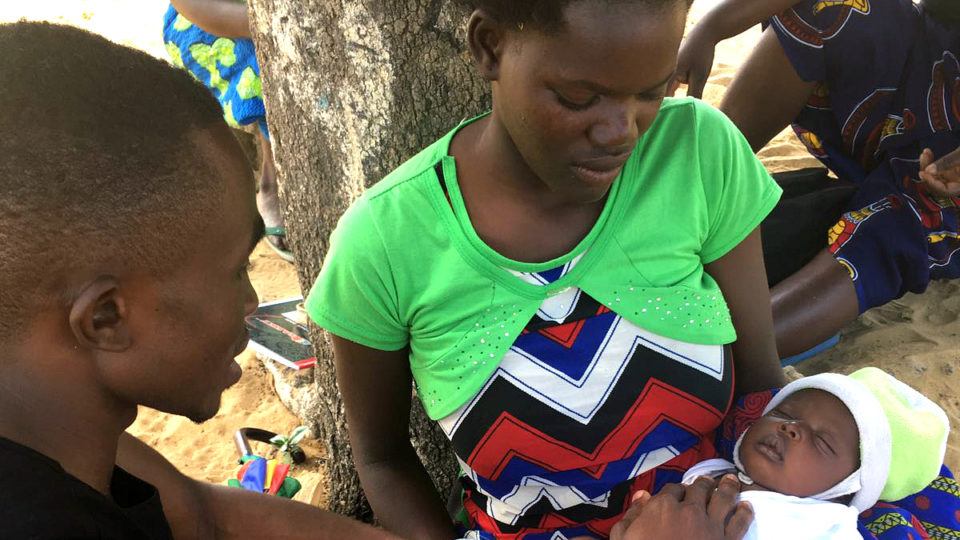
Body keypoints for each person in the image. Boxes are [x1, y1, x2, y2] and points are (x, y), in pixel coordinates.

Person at [306, 0, 788, 537]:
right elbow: (382, 460)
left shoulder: (697, 154)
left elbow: (761, 386)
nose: (620, 132)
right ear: (490, 47)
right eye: (580, 98)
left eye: (652, 91)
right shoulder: (385, 243)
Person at [0, 21, 394, 539]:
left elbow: (201, 513)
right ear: (106, 318)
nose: (252, 302)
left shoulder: (44, 421)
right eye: (237, 269)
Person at [671, 0, 960, 358]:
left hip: (945, 180)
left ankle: (713, 354)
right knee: (837, 7)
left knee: (905, 216)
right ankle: (686, 189)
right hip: (923, 82)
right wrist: (711, 28)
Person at [683, 368, 950, 539]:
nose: (790, 428)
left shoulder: (829, 526)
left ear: (846, 490)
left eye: (822, 441)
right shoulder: (707, 472)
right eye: (782, 414)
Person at [163, 0, 293, 262]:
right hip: (206, 21)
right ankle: (272, 185)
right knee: (262, 70)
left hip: (271, 17)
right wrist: (273, 22)